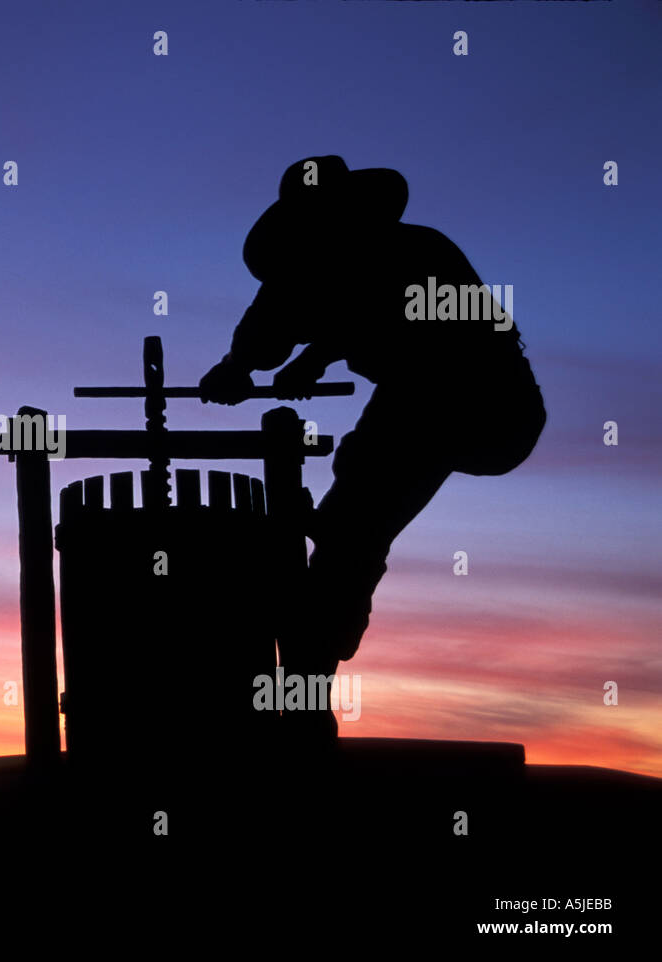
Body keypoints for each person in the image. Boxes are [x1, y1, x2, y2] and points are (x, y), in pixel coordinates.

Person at [200, 156, 546, 742]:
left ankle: (310, 684)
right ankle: (314, 647)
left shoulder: (419, 252)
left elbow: (421, 329)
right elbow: (269, 324)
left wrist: (319, 354)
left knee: (353, 521)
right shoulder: (308, 265)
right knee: (353, 507)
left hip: (484, 400)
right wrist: (236, 367)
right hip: (422, 398)